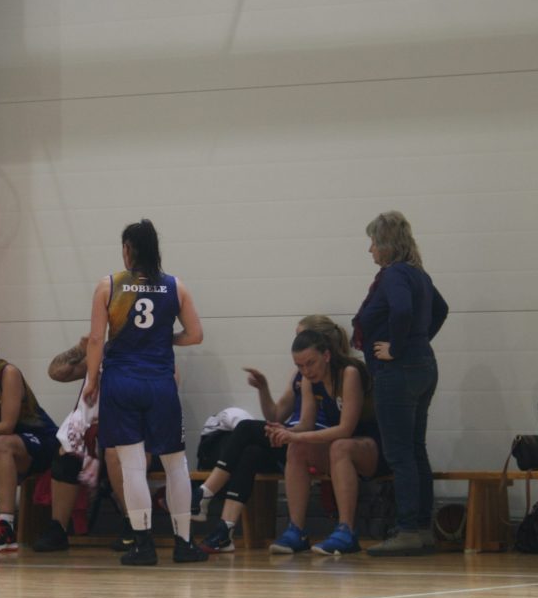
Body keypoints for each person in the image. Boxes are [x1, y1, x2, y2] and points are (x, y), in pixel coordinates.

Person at [82, 219, 207, 565]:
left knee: (132, 466)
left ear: (127, 250)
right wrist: (165, 339)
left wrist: (91, 380)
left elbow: (96, 339)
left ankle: (143, 545)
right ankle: (184, 544)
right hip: (160, 383)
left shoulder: (108, 286)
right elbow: (195, 335)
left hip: (121, 382)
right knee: (175, 463)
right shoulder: (175, 286)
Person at [191, 315, 345, 554]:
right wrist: (263, 388)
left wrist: (287, 433)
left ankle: (205, 492)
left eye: (301, 337)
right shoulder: (301, 373)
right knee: (250, 452)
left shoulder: (338, 374)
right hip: (292, 437)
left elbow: (309, 424)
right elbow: (276, 414)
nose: (297, 343)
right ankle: (224, 530)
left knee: (245, 428)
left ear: (321, 347)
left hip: (310, 442)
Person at [355, 210, 448, 556]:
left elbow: (402, 311)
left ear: (386, 244)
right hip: (423, 367)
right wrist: (418, 342)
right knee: (415, 449)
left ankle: (407, 528)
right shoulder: (418, 274)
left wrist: (397, 347)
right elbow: (441, 309)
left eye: (373, 243)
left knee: (399, 454)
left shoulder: (394, 274)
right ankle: (422, 528)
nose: (370, 250)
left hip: (398, 373)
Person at [265, 329, 385, 555]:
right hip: (342, 450)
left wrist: (296, 435)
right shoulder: (308, 380)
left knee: (339, 446)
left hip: (374, 448)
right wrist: (285, 431)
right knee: (297, 448)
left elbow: (345, 429)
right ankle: (296, 531)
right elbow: (306, 424)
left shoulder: (349, 373)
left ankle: (347, 531)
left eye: (310, 363)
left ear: (327, 355)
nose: (306, 371)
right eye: (300, 366)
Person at [31, 337, 132, 553]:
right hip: (96, 432)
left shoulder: (151, 356)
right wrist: (81, 348)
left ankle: (133, 524)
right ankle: (58, 528)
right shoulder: (101, 356)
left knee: (118, 452)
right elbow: (56, 372)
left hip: (131, 430)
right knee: (67, 452)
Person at [0, 339, 60, 552]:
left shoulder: (7, 373)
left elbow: (7, 426)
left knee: (1, 443)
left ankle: (6, 527)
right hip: (5, 443)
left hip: (41, 439)